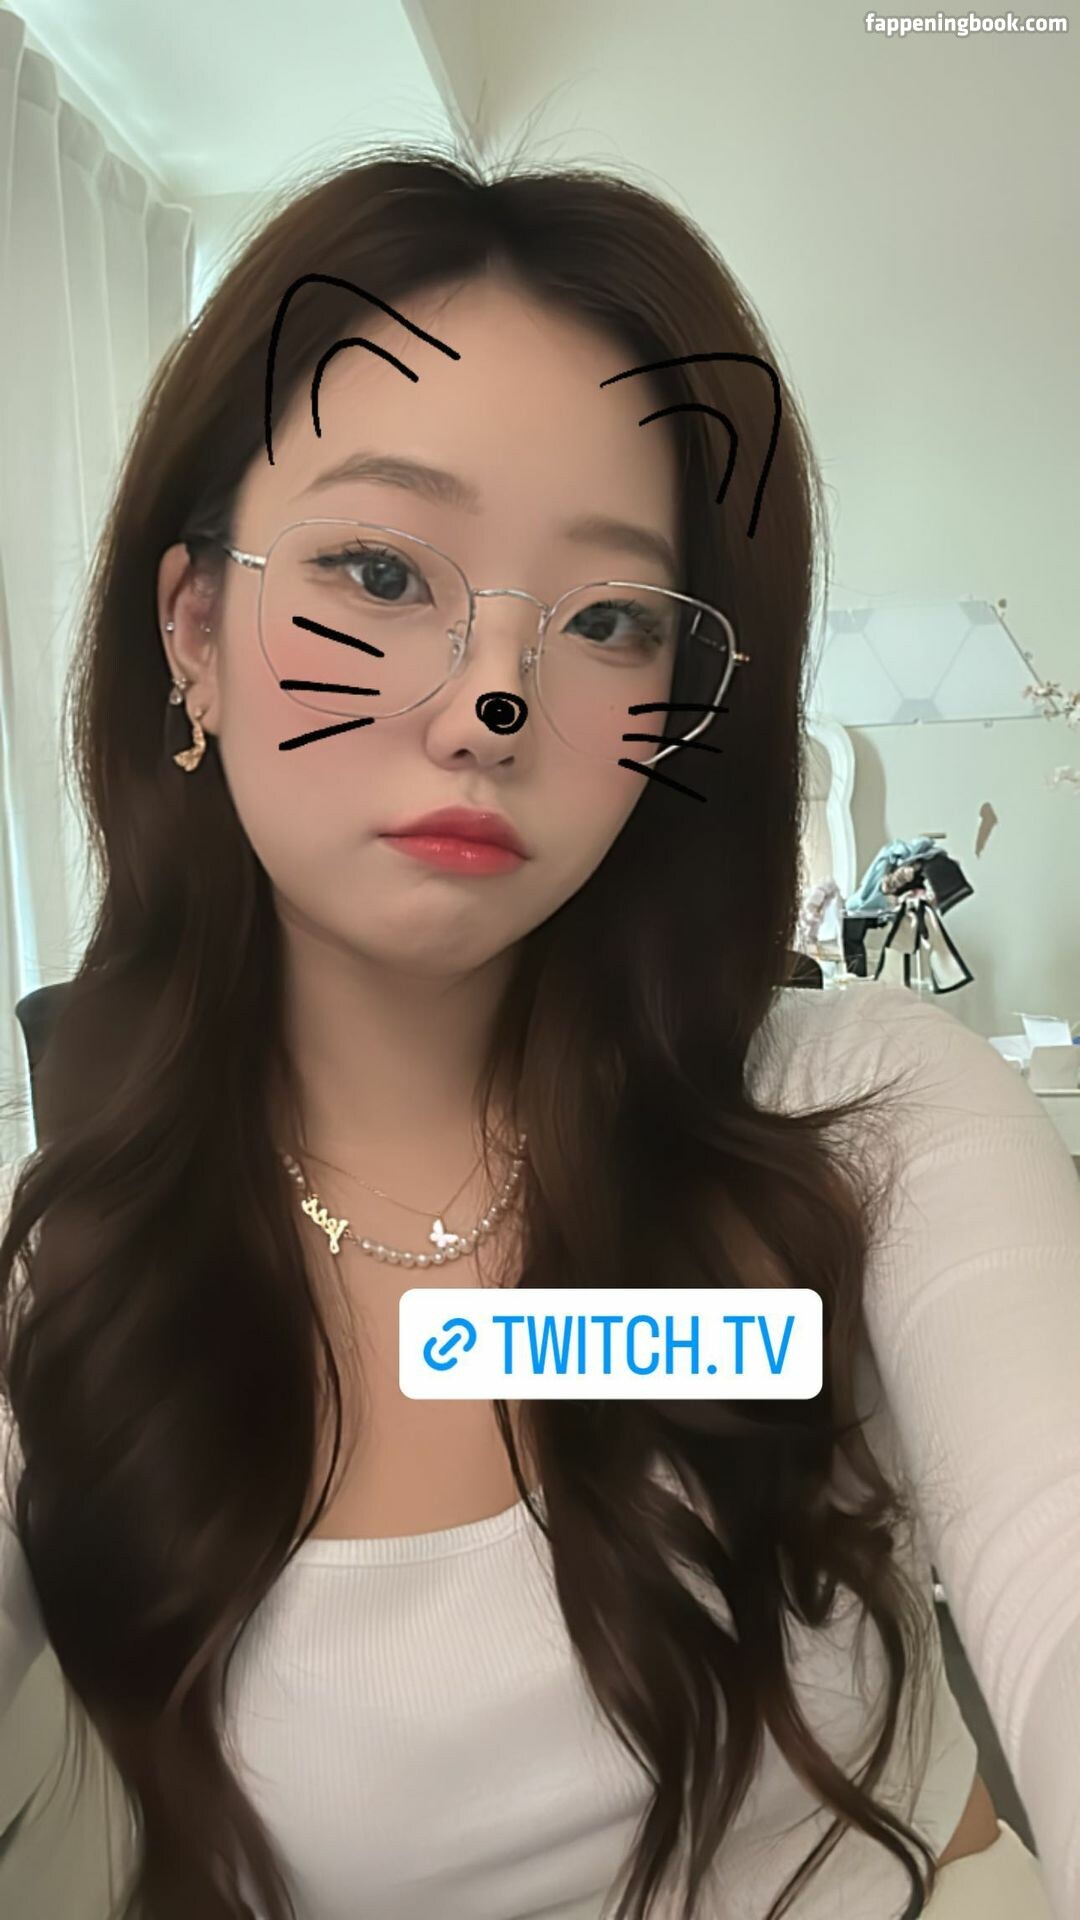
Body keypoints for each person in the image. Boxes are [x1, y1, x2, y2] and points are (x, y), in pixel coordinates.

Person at [1, 140, 1077, 1920]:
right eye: (378, 568)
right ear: (193, 628)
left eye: (610, 617)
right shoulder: (64, 1285)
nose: (491, 703)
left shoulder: (867, 1115)